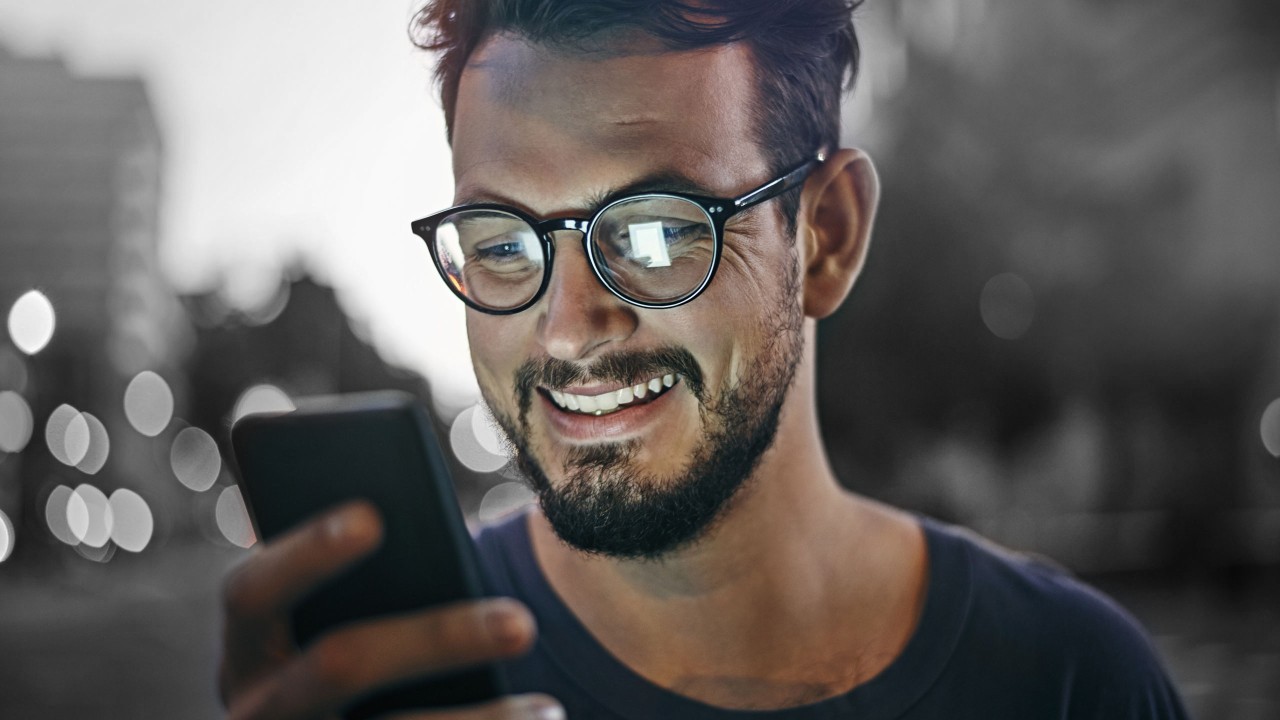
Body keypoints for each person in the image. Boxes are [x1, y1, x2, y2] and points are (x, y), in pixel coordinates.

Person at [218, 1, 1191, 718]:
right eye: (504, 242)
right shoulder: (386, 678)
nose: (565, 329)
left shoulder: (1071, 683)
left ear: (826, 236)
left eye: (650, 232)